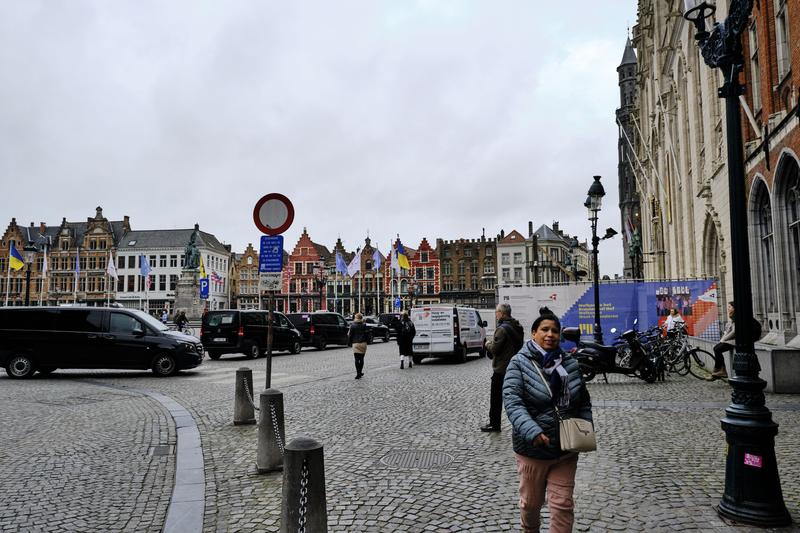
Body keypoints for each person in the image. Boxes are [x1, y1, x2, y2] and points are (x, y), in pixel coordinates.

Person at [503, 307, 593, 533]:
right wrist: (532, 431)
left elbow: (583, 401)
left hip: (565, 448)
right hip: (533, 449)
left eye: (554, 330)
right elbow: (513, 403)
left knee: (563, 505)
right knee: (531, 504)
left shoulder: (570, 363)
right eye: (544, 329)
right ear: (534, 333)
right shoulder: (519, 363)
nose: (550, 334)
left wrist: (584, 427)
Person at [480, 303, 524, 432]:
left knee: (496, 398)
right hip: (515, 367)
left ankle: (494, 424)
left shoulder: (502, 329)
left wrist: (487, 343)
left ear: (503, 314)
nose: (496, 314)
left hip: (501, 369)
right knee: (516, 398)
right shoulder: (517, 326)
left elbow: (495, 349)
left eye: (497, 312)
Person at [710, 302, 735, 380]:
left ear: (734, 308)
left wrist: (724, 339)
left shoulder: (736, 317)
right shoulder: (731, 317)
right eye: (728, 307)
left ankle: (717, 371)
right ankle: (720, 371)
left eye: (730, 307)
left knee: (717, 349)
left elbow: (734, 332)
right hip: (729, 340)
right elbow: (727, 331)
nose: (728, 308)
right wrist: (722, 340)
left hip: (734, 341)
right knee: (716, 348)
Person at [348, 313, 369, 379]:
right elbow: (367, 334)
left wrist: (349, 343)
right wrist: (367, 341)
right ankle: (360, 372)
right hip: (363, 343)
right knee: (362, 359)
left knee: (356, 359)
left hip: (355, 344)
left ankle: (358, 373)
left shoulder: (352, 325)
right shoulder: (364, 325)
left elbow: (350, 335)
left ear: (355, 318)